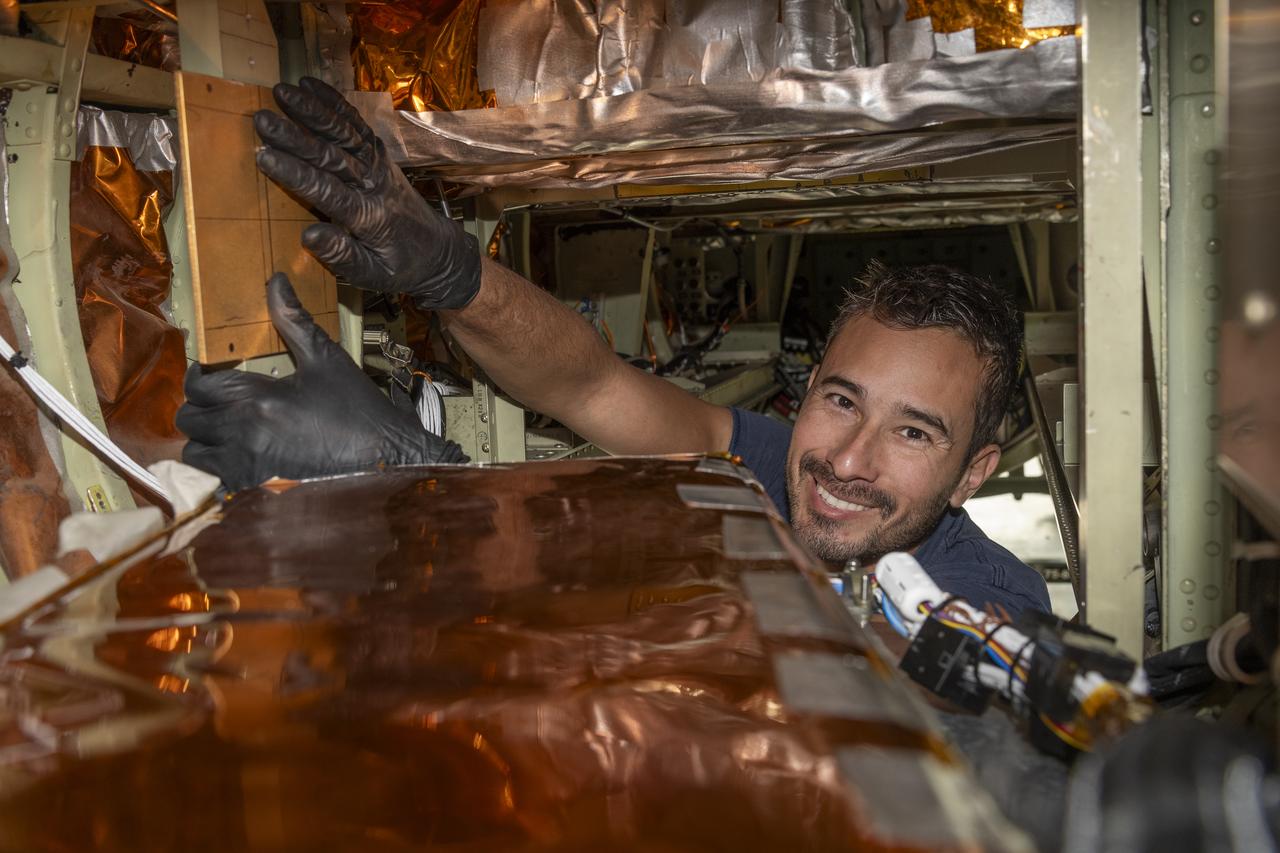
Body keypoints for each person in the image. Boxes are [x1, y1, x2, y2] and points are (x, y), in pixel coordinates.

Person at [177, 78, 1050, 616]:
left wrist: (418, 476)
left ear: (975, 473)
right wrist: (452, 273)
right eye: (843, 398)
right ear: (811, 385)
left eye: (914, 432)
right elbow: (596, 387)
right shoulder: (789, 463)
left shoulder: (992, 607)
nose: (849, 460)